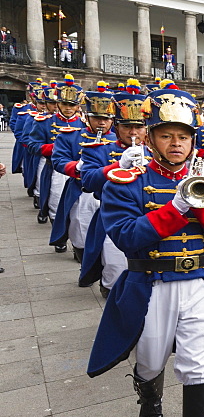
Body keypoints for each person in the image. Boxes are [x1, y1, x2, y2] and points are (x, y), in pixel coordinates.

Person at [86, 86, 204, 417]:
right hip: (152, 283)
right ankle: (149, 397)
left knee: (200, 364)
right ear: (150, 137)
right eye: (166, 135)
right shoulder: (126, 181)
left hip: (198, 283)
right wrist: (178, 207)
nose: (176, 143)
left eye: (183, 136)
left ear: (194, 140)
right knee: (149, 360)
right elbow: (129, 236)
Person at [78, 81, 147, 297]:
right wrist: (119, 165)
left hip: (149, 218)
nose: (133, 132)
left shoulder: (158, 152)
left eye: (139, 127)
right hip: (114, 216)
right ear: (116, 127)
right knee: (115, 270)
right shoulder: (98, 150)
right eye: (127, 126)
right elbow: (88, 181)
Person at [49, 83, 114, 261]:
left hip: (110, 192)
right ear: (87, 116)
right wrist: (77, 167)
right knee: (79, 227)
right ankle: (82, 256)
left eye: (107, 118)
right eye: (97, 117)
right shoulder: (70, 135)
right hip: (82, 190)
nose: (102, 122)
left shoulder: (118, 140)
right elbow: (58, 160)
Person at [26, 76, 86, 229]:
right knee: (55, 200)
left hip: (77, 169)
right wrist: (51, 149)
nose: (68, 108)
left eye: (72, 105)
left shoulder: (84, 124)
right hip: (53, 166)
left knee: (79, 208)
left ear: (78, 106)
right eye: (65, 104)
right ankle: (57, 228)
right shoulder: (45, 122)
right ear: (58, 103)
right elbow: (32, 145)